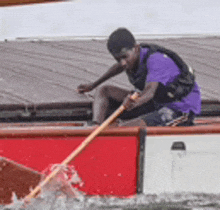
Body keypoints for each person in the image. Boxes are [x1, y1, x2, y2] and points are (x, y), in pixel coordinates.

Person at [77, 28, 201, 126]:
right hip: (157, 101)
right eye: (118, 59)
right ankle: (95, 126)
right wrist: (93, 85)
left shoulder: (156, 60)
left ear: (136, 48)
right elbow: (118, 67)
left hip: (179, 107)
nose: (123, 63)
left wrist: (133, 103)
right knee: (104, 90)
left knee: (126, 128)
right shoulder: (129, 59)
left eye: (125, 57)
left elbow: (149, 92)